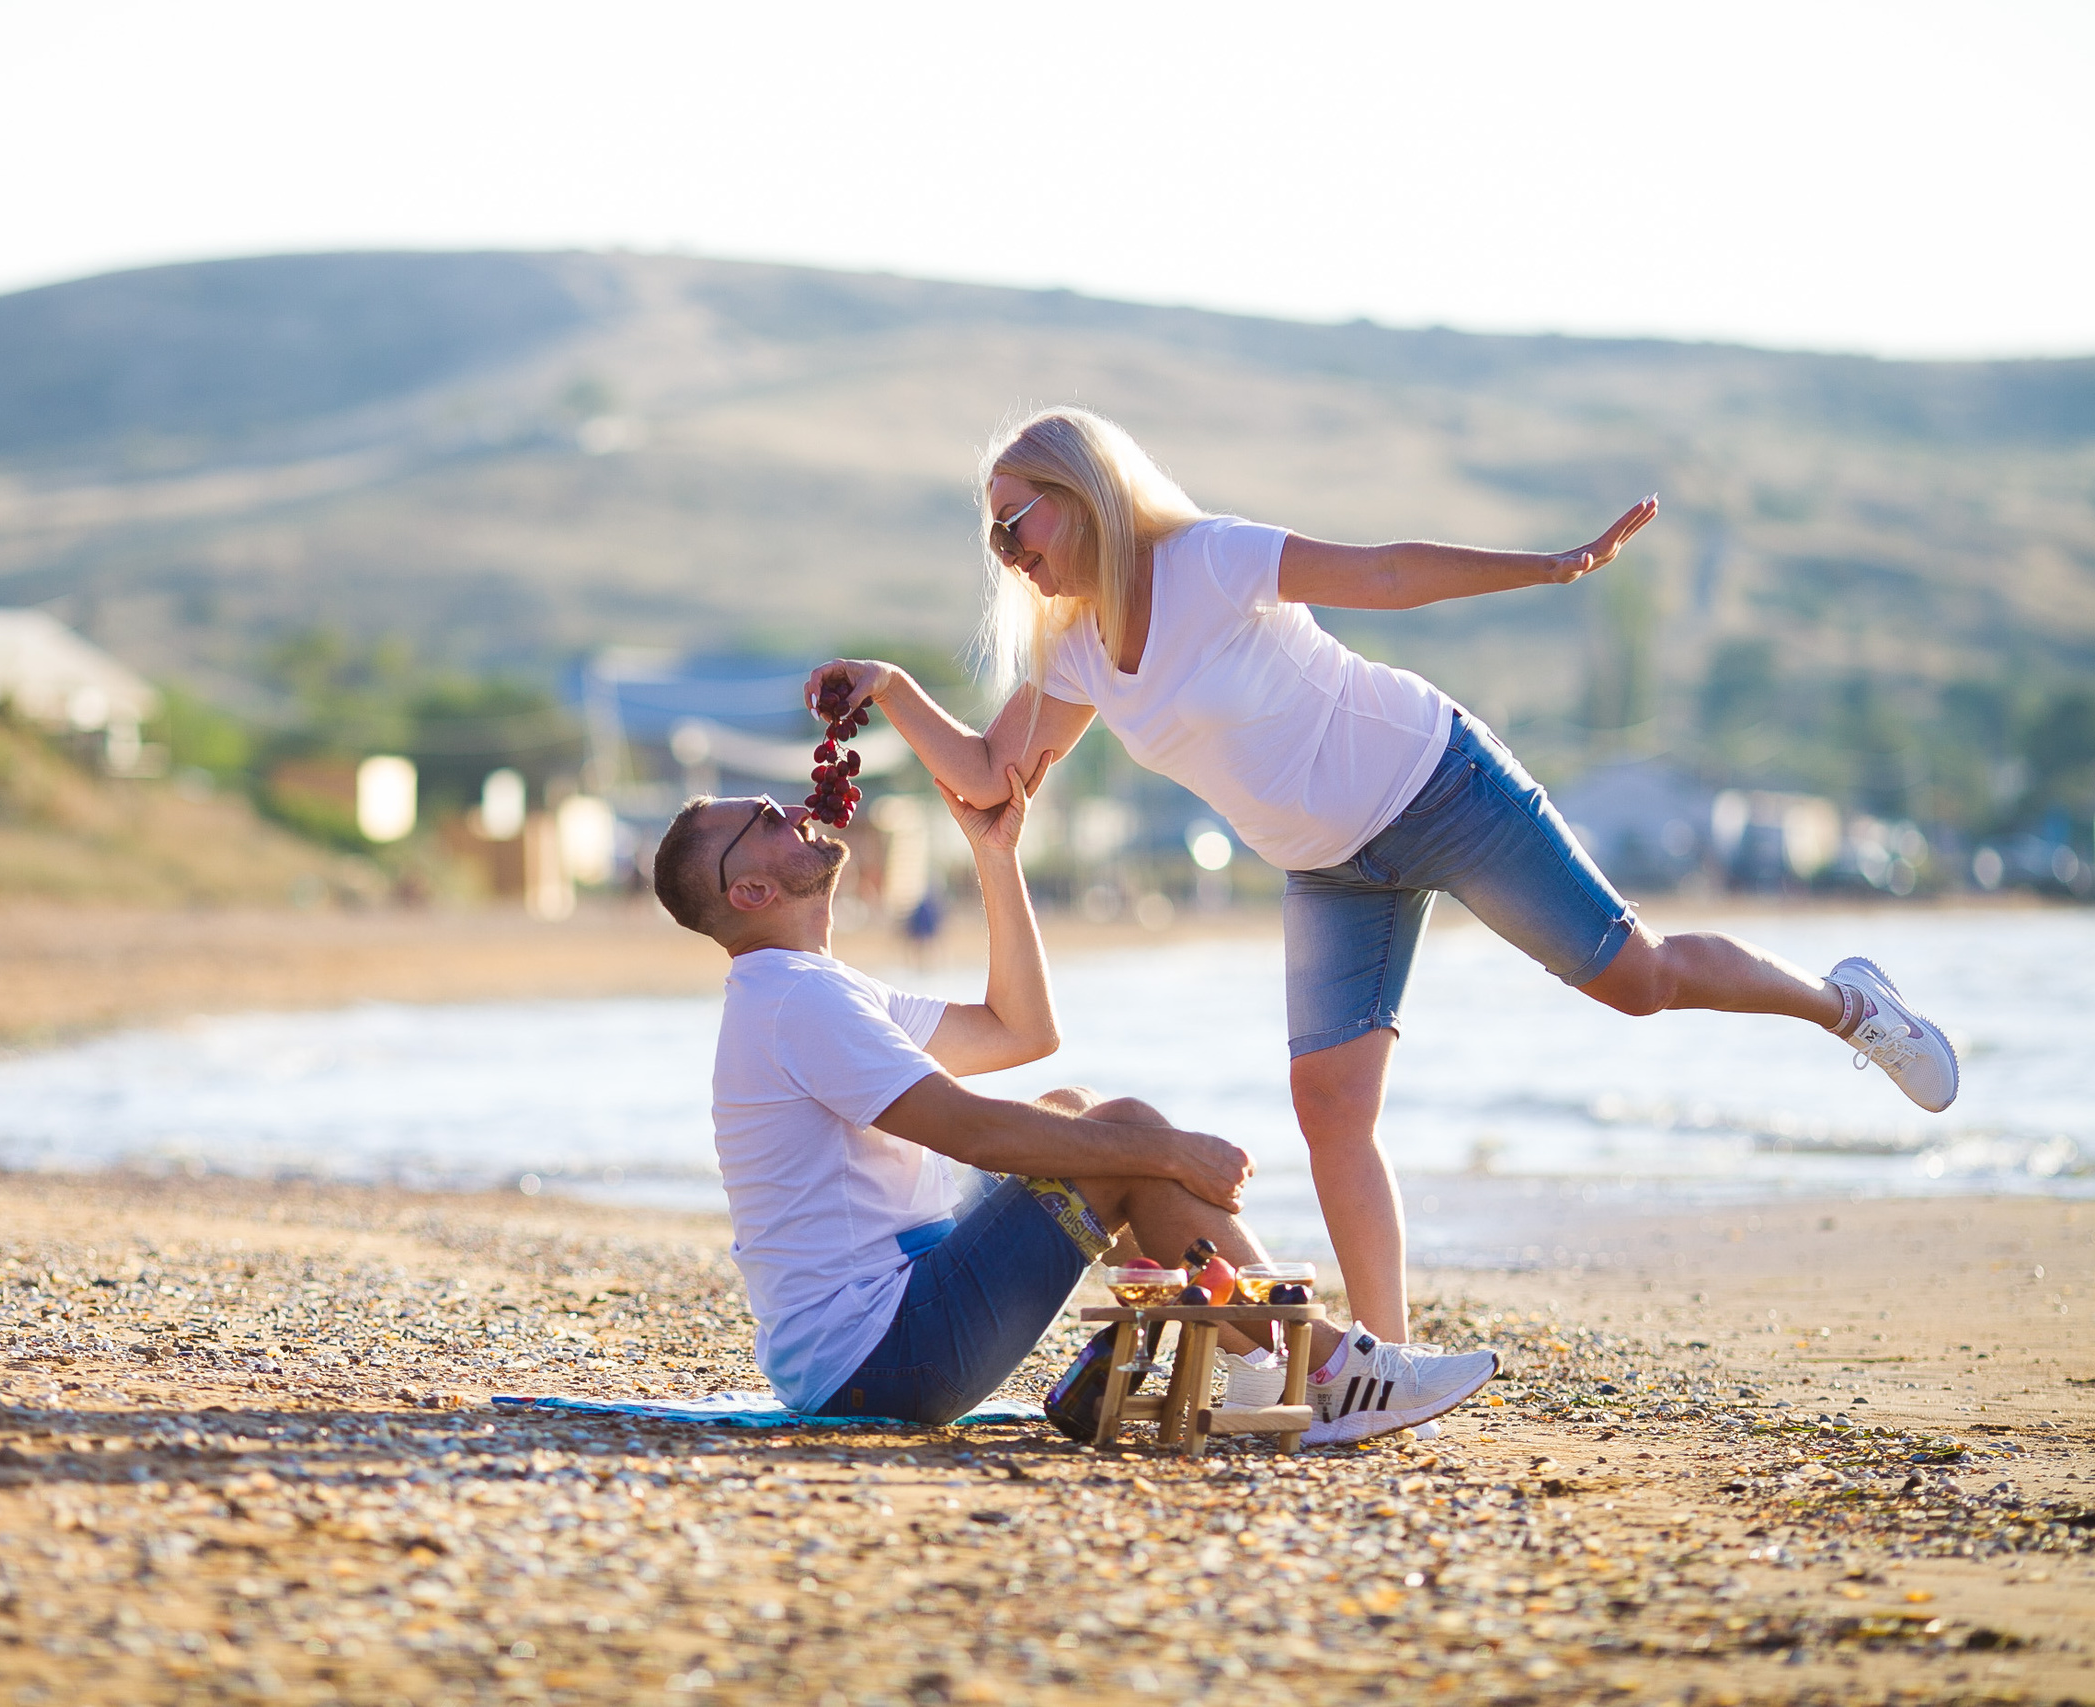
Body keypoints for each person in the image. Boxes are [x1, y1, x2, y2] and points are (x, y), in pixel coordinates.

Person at [809, 406, 1960, 1344]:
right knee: (1331, 1111)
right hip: (1326, 869)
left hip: (1435, 784)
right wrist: (894, 690)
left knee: (1637, 977)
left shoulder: (1209, 560)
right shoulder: (1071, 651)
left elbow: (1388, 571)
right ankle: (1387, 1361)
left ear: (1084, 491)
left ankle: (1849, 1005)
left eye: (1019, 526)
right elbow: (993, 772)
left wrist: (1552, 568)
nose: (1014, 556)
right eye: (997, 544)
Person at [648, 754, 1501, 1442]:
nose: (788, 808)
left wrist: (995, 853)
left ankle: (1263, 1359)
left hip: (869, 1336)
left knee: (1072, 1104)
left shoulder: (805, 988)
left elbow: (1020, 1030)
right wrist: (1165, 1150)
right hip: (884, 1355)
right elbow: (972, 1130)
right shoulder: (800, 999)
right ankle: (1324, 1367)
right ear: (749, 894)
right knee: (1125, 1132)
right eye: (761, 821)